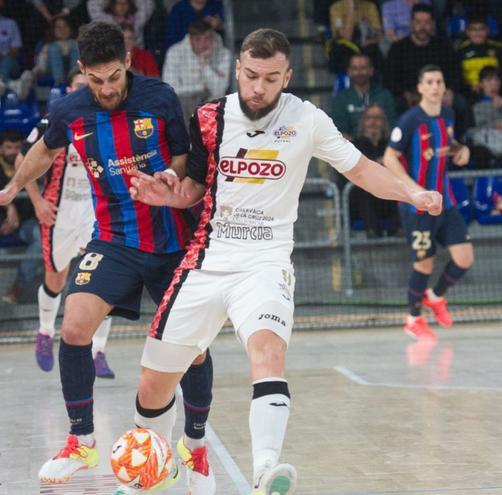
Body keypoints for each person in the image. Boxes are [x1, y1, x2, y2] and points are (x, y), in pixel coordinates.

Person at [125, 28, 442, 495]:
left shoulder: (308, 120)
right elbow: (195, 187)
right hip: (209, 257)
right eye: (251, 76)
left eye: (271, 79)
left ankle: (266, 469)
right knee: (154, 383)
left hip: (266, 261)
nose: (258, 87)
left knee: (268, 350)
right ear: (237, 69)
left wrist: (412, 192)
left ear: (287, 77)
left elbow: (361, 169)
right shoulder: (211, 117)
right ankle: (153, 469)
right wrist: (166, 197)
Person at [0, 22, 216, 490]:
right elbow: (44, 149)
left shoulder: (160, 97)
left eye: (114, 77)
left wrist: (167, 175)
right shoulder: (70, 109)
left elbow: (186, 159)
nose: (107, 89)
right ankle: (81, 442)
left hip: (169, 242)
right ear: (82, 71)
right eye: (96, 80)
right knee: (75, 326)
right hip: (113, 241)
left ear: (127, 64)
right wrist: (13, 188)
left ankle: (195, 446)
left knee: (193, 349)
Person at [19, 68, 116, 378]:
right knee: (56, 279)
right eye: (80, 84)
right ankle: (46, 331)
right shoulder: (53, 120)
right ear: (70, 88)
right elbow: (24, 159)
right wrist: (36, 201)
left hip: (96, 212)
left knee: (103, 279)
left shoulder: (110, 119)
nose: (87, 89)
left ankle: (98, 351)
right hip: (59, 213)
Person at [382, 64, 473, 341]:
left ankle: (435, 297)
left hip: (444, 201)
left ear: (444, 87)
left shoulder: (448, 114)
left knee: (465, 257)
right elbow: (389, 157)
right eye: (430, 82)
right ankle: (413, 318)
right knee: (424, 264)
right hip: (417, 206)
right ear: (421, 88)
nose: (435, 86)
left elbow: (449, 142)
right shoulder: (410, 120)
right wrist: (414, 190)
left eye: (439, 81)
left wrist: (462, 150)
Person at [0, 129, 42, 305]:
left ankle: (18, 286)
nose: (13, 151)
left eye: (17, 147)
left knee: (41, 239)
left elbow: (32, 199)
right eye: (8, 147)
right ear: (0, 149)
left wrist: (15, 217)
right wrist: (9, 207)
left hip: (22, 222)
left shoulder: (29, 166)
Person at [383, 4, 458, 110]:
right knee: (396, 104)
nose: (422, 27)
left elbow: (455, 75)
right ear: (411, 23)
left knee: (460, 104)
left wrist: (449, 90)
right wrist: (405, 93)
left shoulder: (444, 47)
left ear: (433, 24)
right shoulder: (398, 48)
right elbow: (390, 79)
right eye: (418, 22)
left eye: (427, 23)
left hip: (438, 94)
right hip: (408, 95)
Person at [162, 19, 231, 124]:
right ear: (190, 39)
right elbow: (169, 90)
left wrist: (204, 64)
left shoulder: (224, 54)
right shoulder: (174, 52)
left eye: (207, 39)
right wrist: (200, 87)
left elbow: (220, 90)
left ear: (213, 37)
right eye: (198, 39)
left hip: (213, 106)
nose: (203, 44)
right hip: (184, 107)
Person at [349, 104, 401, 237]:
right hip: (365, 200)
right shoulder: (355, 144)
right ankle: (372, 230)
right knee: (362, 188)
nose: (373, 122)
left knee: (401, 187)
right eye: (369, 118)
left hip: (387, 197)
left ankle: (397, 229)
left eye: (378, 118)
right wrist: (380, 163)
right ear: (363, 122)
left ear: (384, 122)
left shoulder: (391, 144)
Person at [466, 66, 502, 170]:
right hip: (484, 143)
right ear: (481, 84)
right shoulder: (473, 104)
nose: (493, 84)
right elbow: (471, 130)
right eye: (488, 80)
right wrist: (494, 120)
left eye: (496, 80)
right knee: (480, 153)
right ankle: (482, 184)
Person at [331, 53, 396, 139]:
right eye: (355, 68)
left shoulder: (385, 95)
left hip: (382, 146)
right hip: (353, 148)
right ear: (349, 72)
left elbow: (392, 126)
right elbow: (340, 132)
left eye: (363, 68)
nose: (359, 72)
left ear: (371, 71)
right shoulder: (341, 99)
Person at [455, 14, 502, 95]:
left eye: (481, 29)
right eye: (473, 29)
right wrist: (471, 88)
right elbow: (458, 78)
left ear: (487, 30)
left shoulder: (498, 48)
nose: (477, 33)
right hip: (470, 92)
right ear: (467, 32)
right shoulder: (460, 51)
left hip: (495, 90)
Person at [35, 14, 80, 87]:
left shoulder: (75, 44)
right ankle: (59, 83)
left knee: (76, 46)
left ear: (70, 29)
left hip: (72, 70)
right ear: (53, 30)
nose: (63, 30)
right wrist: (40, 70)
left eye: (65, 26)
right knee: (54, 48)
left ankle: (74, 80)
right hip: (51, 71)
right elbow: (42, 60)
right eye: (58, 27)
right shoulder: (48, 45)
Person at [87, 0, 153, 47]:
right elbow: (92, 4)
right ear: (112, 4)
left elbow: (148, 4)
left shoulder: (138, 20)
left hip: (135, 57)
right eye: (118, 3)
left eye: (125, 3)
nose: (122, 7)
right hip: (111, 57)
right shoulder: (104, 22)